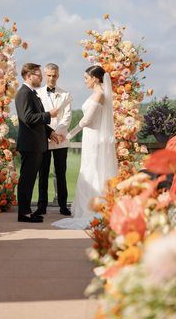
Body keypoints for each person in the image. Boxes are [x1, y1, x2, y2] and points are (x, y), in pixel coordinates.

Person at [52, 65, 118, 229]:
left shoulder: (99, 95)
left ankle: (93, 209)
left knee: (92, 170)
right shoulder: (97, 94)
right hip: (91, 137)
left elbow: (86, 120)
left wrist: (68, 135)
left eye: (86, 78)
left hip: (93, 137)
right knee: (90, 168)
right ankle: (92, 206)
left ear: (95, 78)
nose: (84, 81)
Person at [15, 63, 62, 223]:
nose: (42, 77)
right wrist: (49, 114)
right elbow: (28, 118)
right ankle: (24, 214)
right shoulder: (24, 93)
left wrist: (50, 132)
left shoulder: (31, 93)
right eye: (38, 75)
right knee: (27, 180)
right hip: (30, 144)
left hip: (36, 143)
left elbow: (36, 120)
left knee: (29, 179)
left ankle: (27, 211)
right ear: (28, 76)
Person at [33, 63, 72, 216]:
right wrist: (49, 133)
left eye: (54, 75)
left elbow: (67, 116)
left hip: (61, 139)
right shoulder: (37, 93)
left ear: (58, 75)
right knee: (42, 173)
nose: (51, 78)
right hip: (43, 137)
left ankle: (63, 205)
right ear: (44, 75)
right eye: (49, 75)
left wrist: (57, 133)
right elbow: (38, 116)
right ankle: (42, 205)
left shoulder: (66, 94)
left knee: (61, 173)